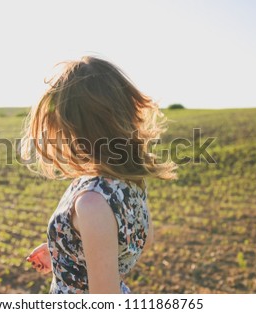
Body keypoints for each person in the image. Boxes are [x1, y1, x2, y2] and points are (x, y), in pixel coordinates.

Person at [21, 56, 177, 293]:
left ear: (74, 127)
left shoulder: (92, 200)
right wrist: (65, 254)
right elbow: (137, 244)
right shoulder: (128, 181)